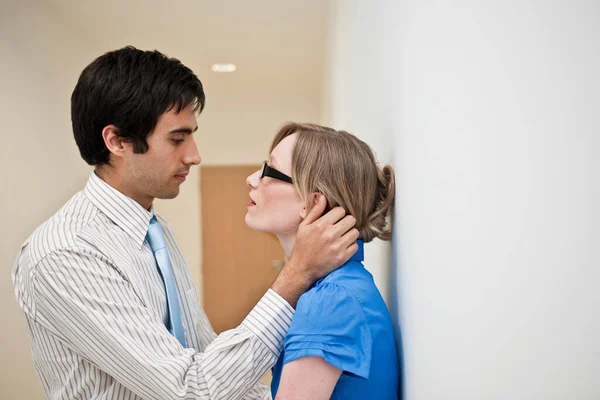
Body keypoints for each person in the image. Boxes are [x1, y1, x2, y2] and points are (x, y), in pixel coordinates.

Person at [11, 47, 359, 400]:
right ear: (116, 141)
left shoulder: (155, 234)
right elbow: (191, 390)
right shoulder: (66, 253)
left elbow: (207, 359)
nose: (194, 156)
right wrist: (296, 274)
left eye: (191, 136)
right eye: (177, 139)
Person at [245, 123, 399, 399]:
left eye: (269, 171)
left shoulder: (331, 301)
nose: (252, 179)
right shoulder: (340, 287)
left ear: (313, 201)